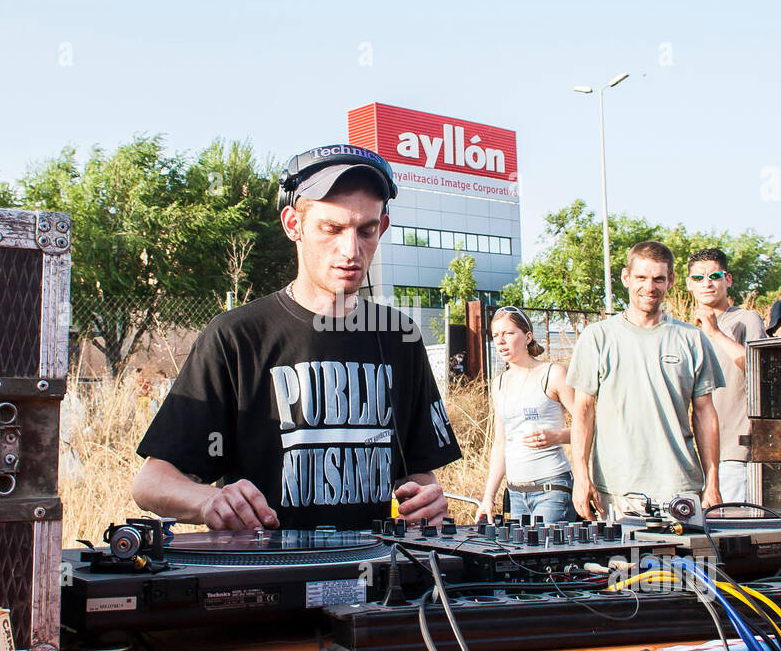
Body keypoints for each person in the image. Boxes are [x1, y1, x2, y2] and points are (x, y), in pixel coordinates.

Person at [132, 145, 461, 530]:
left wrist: (425, 501)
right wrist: (209, 501)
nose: (351, 250)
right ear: (293, 225)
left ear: (381, 228)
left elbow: (415, 475)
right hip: (264, 578)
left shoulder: (399, 337)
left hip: (377, 579)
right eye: (332, 229)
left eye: (366, 231)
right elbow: (150, 483)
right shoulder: (236, 337)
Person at [567, 240, 725, 519]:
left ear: (671, 281)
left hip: (680, 488)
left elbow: (705, 414)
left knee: (683, 564)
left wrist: (712, 482)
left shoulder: (692, 339)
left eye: (658, 279)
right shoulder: (598, 337)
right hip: (617, 490)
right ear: (626, 277)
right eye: (641, 277)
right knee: (622, 563)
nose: (649, 287)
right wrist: (581, 477)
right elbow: (583, 412)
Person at [474, 306, 575, 523]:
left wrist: (557, 436)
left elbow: (589, 428)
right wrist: (488, 498)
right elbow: (500, 443)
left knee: (549, 556)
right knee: (521, 557)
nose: (501, 341)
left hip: (552, 490)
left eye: (508, 333)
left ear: (528, 336)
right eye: (496, 335)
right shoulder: (498, 383)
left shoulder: (553, 373)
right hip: (516, 494)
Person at [686, 248, 766, 505]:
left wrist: (715, 332)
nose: (706, 283)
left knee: (732, 535)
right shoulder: (682, 331)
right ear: (688, 283)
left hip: (733, 455)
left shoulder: (746, 319)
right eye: (698, 278)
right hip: (690, 459)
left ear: (728, 279)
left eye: (714, 275)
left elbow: (761, 370)